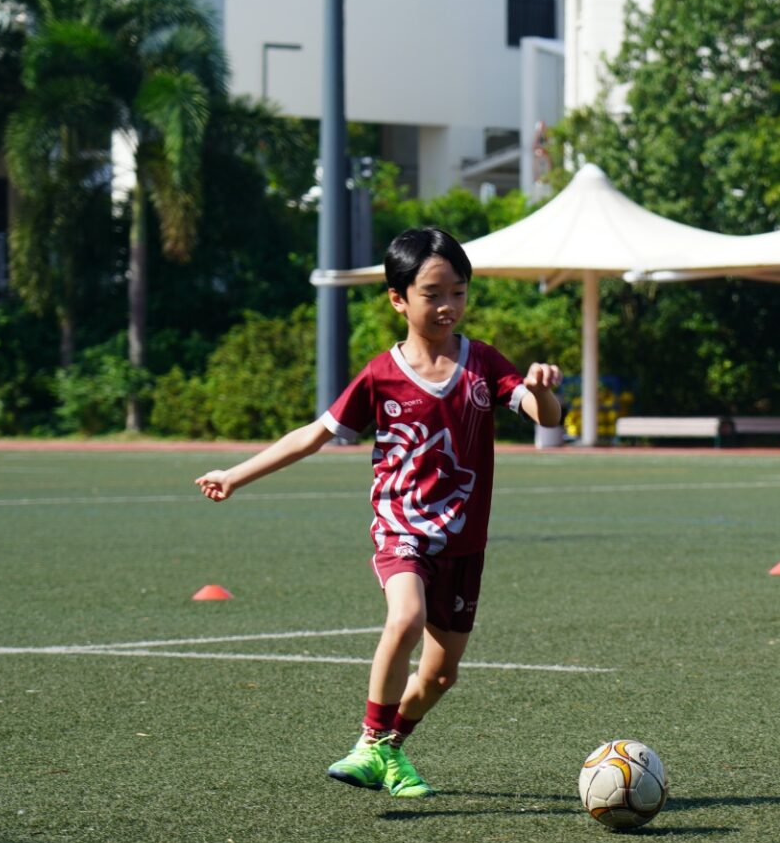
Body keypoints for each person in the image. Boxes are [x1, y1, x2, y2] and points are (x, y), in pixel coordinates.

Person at [195, 228, 562, 797]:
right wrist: (234, 475)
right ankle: (370, 740)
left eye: (459, 293)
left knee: (440, 676)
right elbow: (313, 435)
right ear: (398, 298)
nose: (448, 306)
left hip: (463, 545)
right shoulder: (381, 375)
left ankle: (388, 751)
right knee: (406, 617)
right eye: (433, 293)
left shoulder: (483, 363)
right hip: (403, 529)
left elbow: (546, 417)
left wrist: (542, 388)